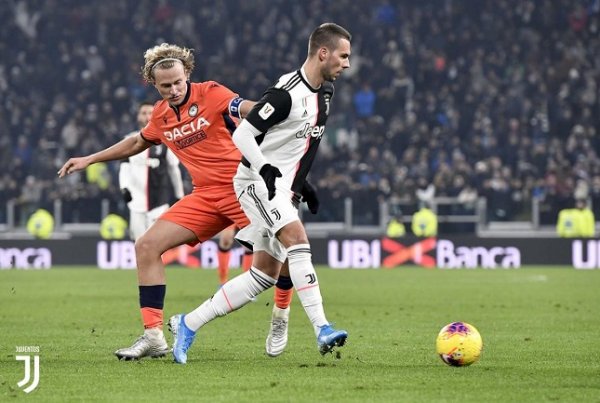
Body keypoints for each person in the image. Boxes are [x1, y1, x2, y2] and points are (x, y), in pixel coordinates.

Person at [58, 43, 257, 360]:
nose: (175, 89)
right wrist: (91, 159)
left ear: (187, 73)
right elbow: (137, 141)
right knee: (146, 245)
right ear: (153, 83)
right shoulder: (162, 115)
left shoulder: (212, 93)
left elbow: (251, 110)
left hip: (242, 190)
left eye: (179, 82)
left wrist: (283, 111)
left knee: (280, 257)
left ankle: (297, 322)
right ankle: (154, 336)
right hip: (204, 196)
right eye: (166, 85)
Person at [168, 23, 352, 363]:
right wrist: (265, 168)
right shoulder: (285, 94)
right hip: (256, 182)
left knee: (262, 276)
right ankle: (322, 328)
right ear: (323, 53)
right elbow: (244, 137)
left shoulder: (325, 92)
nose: (347, 63)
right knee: (297, 241)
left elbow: (299, 141)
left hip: (283, 185)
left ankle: (188, 324)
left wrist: (301, 183)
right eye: (343, 56)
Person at [119, 101, 184, 241]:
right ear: (138, 117)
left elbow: (174, 169)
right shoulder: (128, 140)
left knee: (156, 245)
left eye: (150, 113)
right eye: (143, 113)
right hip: (136, 203)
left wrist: (179, 196)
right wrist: (124, 188)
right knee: (139, 244)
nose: (147, 116)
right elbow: (124, 167)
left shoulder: (166, 140)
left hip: (159, 202)